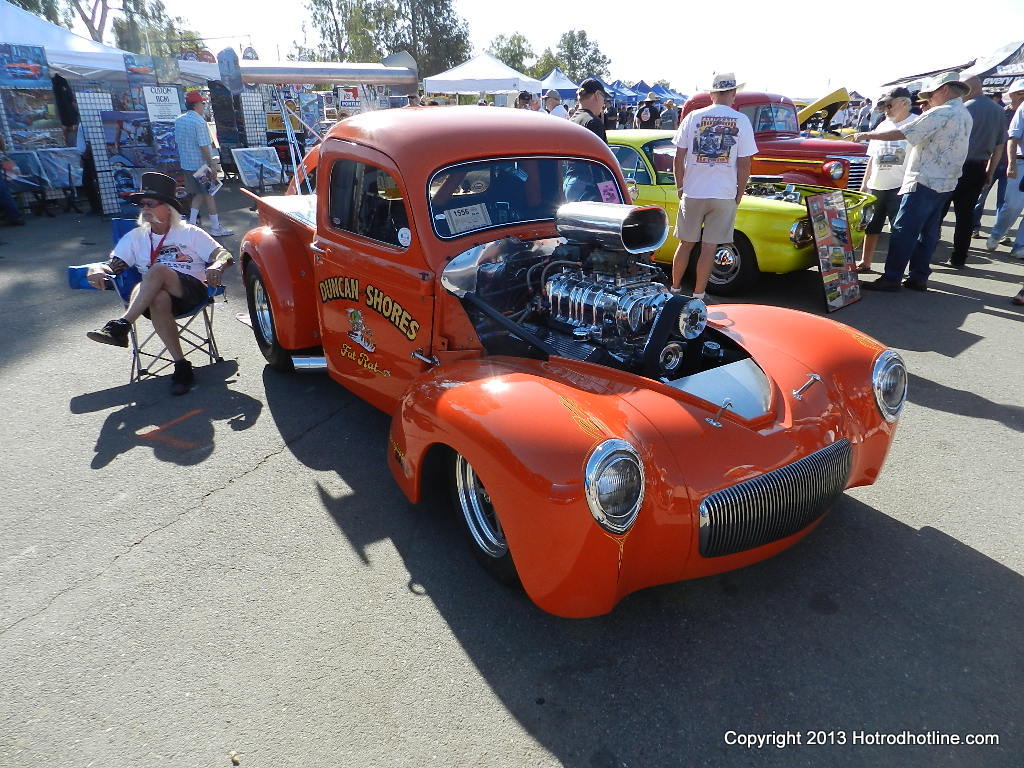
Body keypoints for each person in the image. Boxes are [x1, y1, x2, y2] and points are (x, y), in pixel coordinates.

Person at [85, 172, 233, 396]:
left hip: (191, 291)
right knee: (157, 295)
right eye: (142, 204)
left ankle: (121, 325)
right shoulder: (136, 237)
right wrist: (97, 269)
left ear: (168, 208)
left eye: (150, 204)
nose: (145, 209)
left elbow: (223, 254)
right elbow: (113, 265)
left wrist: (216, 266)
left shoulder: (189, 233)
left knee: (157, 270)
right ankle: (182, 366)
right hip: (154, 298)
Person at [852, 72, 972, 292]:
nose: (928, 100)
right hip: (945, 182)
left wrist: (868, 135)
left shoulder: (942, 111)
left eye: (931, 95)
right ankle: (918, 276)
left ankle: (892, 277)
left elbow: (907, 133)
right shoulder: (964, 114)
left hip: (923, 179)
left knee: (903, 229)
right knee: (928, 232)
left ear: (944, 90)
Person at [669, 72, 757, 300]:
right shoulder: (742, 120)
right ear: (734, 93)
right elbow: (745, 164)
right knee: (709, 247)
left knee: (686, 243)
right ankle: (698, 294)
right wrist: (739, 193)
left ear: (711, 94)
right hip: (723, 193)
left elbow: (678, 157)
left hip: (693, 191)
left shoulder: (693, 117)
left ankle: (675, 289)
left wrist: (680, 187)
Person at [942, 76, 1006, 268]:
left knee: (938, 210)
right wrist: (990, 171)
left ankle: (926, 253)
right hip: (978, 166)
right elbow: (999, 146)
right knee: (966, 215)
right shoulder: (998, 110)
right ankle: (959, 257)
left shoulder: (961, 109)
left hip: (953, 165)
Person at [856, 87, 915, 273]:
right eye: (885, 106)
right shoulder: (882, 126)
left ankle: (896, 271)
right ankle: (866, 262)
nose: (887, 110)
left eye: (890, 105)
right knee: (871, 227)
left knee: (900, 231)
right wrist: (864, 185)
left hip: (900, 186)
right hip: (876, 185)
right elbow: (872, 158)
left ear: (904, 103)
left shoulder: (915, 124)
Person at [174, 91, 233, 237]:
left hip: (187, 164)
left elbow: (178, 142)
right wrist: (212, 165)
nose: (204, 106)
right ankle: (215, 227)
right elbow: (204, 146)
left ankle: (192, 225)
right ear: (196, 105)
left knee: (199, 194)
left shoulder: (179, 120)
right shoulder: (199, 122)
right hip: (201, 165)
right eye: (202, 103)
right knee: (209, 194)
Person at [985, 79, 1024, 257]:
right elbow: (1013, 137)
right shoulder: (1023, 109)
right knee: (1013, 205)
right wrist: (1012, 163)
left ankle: (1020, 246)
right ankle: (997, 233)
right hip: (1021, 161)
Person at [973, 87, 1018, 236]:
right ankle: (974, 227)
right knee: (980, 196)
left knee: (1004, 202)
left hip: (1012, 163)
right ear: (1012, 95)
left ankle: (1000, 232)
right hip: (992, 161)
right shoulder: (1001, 112)